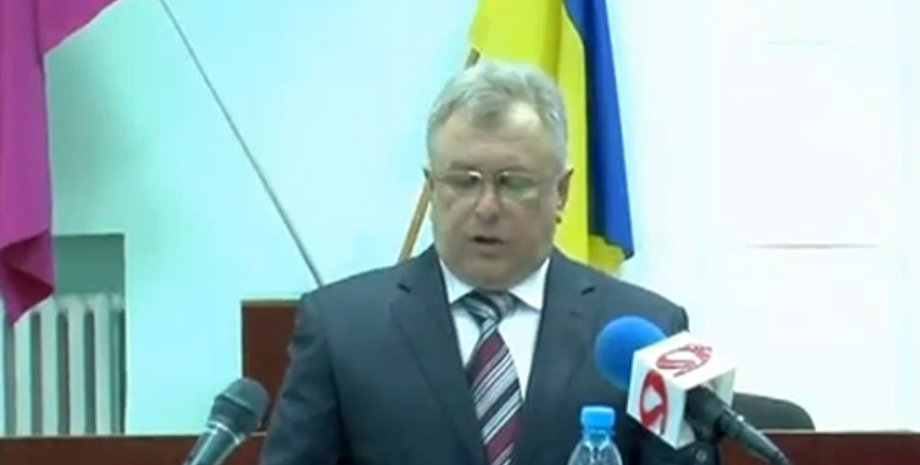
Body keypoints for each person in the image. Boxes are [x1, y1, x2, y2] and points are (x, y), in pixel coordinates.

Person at [259, 59, 718, 465]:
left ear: (561, 193)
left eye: (514, 183)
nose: (486, 207)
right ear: (431, 188)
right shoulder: (342, 330)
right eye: (464, 181)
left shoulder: (645, 333)